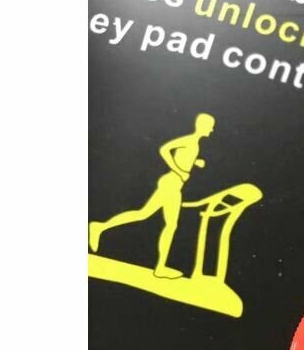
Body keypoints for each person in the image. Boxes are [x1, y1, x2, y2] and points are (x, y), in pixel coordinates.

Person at [89, 113, 216, 279]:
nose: (212, 130)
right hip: (171, 184)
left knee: (144, 214)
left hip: (172, 184)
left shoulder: (194, 144)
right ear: (202, 126)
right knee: (170, 225)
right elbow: (164, 150)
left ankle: (100, 227)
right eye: (210, 126)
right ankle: (160, 268)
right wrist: (180, 171)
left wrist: (195, 162)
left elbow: (182, 157)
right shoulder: (190, 141)